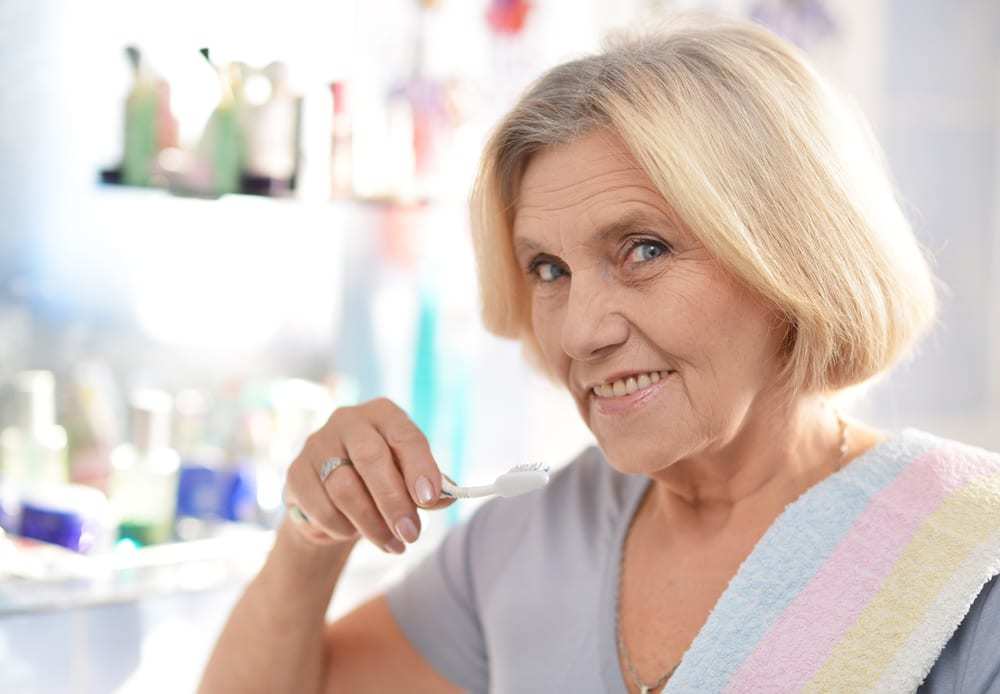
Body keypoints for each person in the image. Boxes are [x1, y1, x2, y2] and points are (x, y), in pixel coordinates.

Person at [199, 13, 1000, 693]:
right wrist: (311, 538)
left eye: (644, 250)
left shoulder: (963, 557)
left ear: (790, 255)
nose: (581, 332)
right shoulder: (528, 540)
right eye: (548, 269)